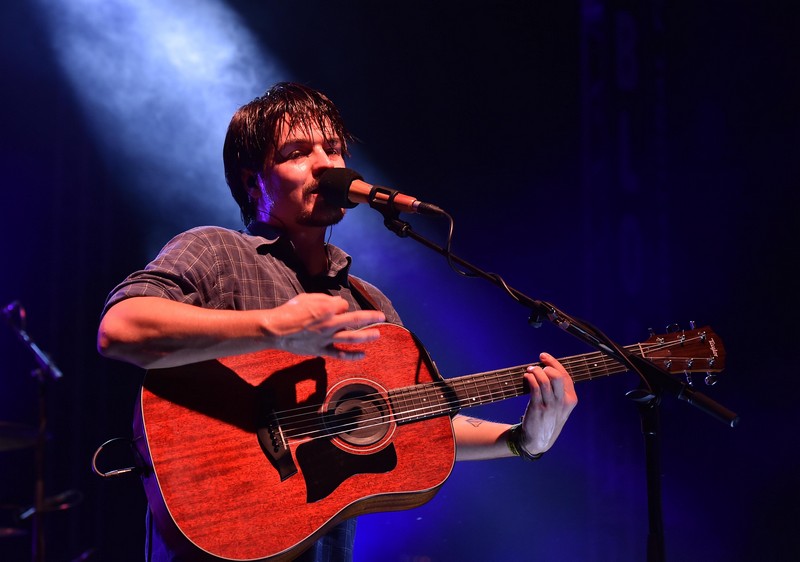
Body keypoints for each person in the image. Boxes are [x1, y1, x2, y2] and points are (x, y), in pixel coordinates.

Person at [97, 82, 578, 562]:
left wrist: (519, 440)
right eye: (298, 152)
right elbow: (121, 328)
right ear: (251, 180)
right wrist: (274, 329)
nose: (326, 164)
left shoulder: (366, 302)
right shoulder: (216, 251)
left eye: (333, 149)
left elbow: (419, 420)